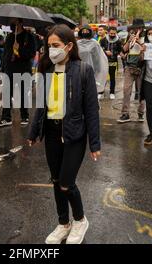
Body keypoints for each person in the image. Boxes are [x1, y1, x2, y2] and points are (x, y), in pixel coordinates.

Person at [28, 24, 101, 244]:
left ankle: (80, 220)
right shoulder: (47, 69)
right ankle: (63, 223)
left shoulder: (83, 70)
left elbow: (91, 109)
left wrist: (95, 143)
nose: (51, 50)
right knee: (56, 180)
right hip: (51, 132)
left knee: (66, 183)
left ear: (69, 46)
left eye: (56, 45)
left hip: (74, 134)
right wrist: (33, 132)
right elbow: (40, 105)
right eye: (49, 45)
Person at [0, 18, 36, 127]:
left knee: (23, 93)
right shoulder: (10, 37)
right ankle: (6, 118)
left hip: (23, 69)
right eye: (12, 23)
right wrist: (4, 68)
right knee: (7, 93)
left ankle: (24, 116)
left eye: (15, 23)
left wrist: (19, 51)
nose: (13, 25)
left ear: (20, 23)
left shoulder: (29, 36)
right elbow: (6, 54)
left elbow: (31, 53)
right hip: (10, 69)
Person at [117, 19, 146, 123]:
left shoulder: (146, 38)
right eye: (135, 28)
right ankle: (125, 113)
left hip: (141, 67)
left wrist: (138, 41)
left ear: (142, 28)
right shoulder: (130, 36)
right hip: (130, 67)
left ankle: (141, 113)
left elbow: (147, 51)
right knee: (126, 90)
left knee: (141, 92)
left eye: (139, 28)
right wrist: (130, 40)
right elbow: (124, 49)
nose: (137, 30)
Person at [77, 25, 109, 97]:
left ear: (90, 32)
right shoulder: (77, 43)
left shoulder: (94, 43)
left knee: (89, 91)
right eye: (83, 31)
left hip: (90, 70)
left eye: (87, 31)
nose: (85, 32)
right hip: (79, 69)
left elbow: (98, 57)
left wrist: (98, 70)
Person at [100, 27, 123, 100]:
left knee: (112, 77)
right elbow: (99, 50)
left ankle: (112, 92)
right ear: (108, 32)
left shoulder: (118, 41)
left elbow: (120, 50)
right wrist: (105, 52)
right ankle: (100, 92)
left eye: (114, 33)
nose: (112, 35)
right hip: (104, 61)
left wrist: (117, 53)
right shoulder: (103, 40)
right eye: (111, 33)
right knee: (102, 77)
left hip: (113, 61)